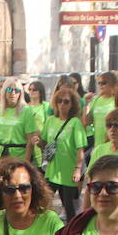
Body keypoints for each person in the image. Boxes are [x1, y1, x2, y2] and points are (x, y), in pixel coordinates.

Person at [41, 86, 87, 221]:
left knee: (68, 206)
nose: (62, 104)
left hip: (68, 171)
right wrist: (37, 141)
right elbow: (44, 142)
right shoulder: (50, 120)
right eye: (59, 101)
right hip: (52, 169)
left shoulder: (75, 122)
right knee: (44, 200)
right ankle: (48, 226)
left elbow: (80, 149)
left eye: (66, 101)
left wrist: (78, 169)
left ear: (72, 104)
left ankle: (72, 233)